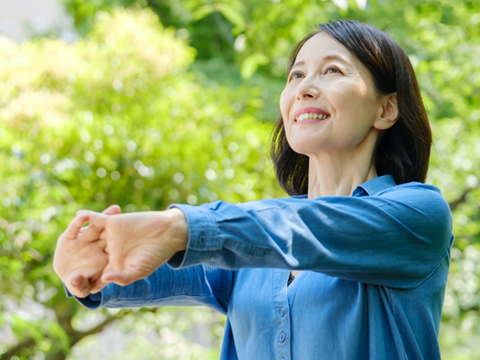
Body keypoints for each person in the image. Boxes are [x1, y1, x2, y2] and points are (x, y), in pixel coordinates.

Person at [54, 20, 453, 360]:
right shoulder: (250, 240)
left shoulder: (418, 216)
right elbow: (142, 269)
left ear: (386, 109)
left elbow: (310, 229)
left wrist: (179, 228)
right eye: (296, 74)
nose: (305, 88)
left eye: (332, 71)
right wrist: (94, 264)